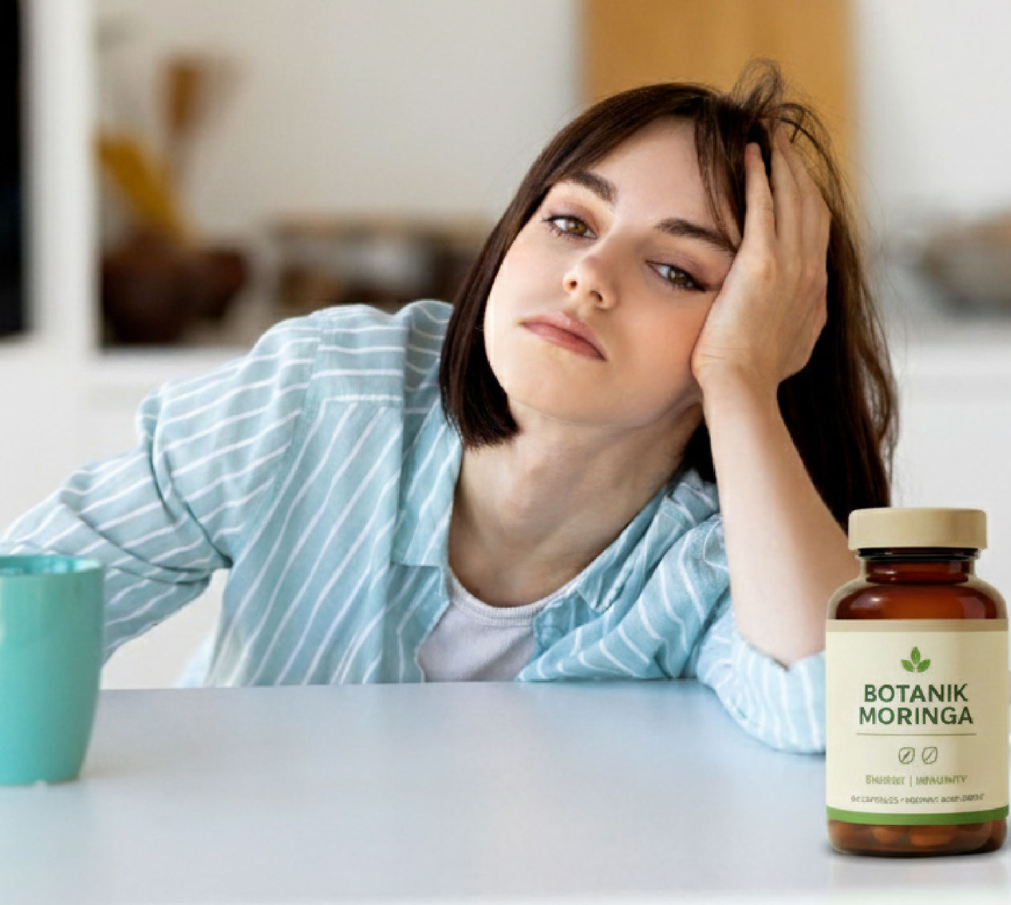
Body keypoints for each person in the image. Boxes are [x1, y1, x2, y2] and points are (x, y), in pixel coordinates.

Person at [0, 62, 895, 753]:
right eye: (572, 222)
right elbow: (30, 604)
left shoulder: (706, 562)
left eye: (676, 270)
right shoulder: (321, 396)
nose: (588, 275)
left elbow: (851, 716)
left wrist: (742, 385)